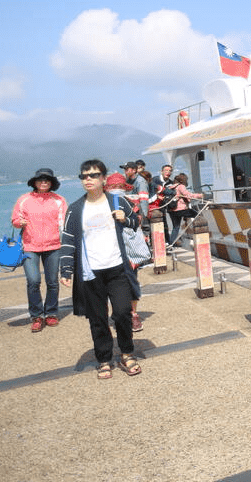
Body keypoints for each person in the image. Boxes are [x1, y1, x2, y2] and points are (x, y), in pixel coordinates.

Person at [59, 159, 142, 379]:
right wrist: (66, 269)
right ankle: (104, 358)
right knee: (97, 318)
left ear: (103, 178)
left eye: (93, 175)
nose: (88, 179)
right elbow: (67, 240)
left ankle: (126, 352)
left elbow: (136, 222)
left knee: (123, 312)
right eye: (84, 176)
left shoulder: (117, 201)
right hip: (90, 272)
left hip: (117, 268)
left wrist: (126, 219)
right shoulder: (75, 209)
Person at [11, 168, 68, 332]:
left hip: (54, 246)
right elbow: (15, 219)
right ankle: (36, 315)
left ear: (52, 183)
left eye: (47, 179)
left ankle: (50, 313)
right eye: (41, 179)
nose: (44, 182)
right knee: (33, 281)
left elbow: (65, 222)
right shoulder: (24, 200)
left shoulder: (59, 200)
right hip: (29, 246)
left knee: (52, 282)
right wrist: (18, 223)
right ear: (34, 182)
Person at [106, 172, 145, 333]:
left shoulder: (129, 202)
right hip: (116, 250)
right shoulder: (126, 202)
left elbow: (136, 222)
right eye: (114, 186)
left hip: (126, 250)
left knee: (128, 282)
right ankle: (126, 313)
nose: (117, 189)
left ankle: (132, 313)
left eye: (120, 186)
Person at [167, 172, 203, 244]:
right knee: (198, 216)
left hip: (171, 210)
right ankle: (201, 236)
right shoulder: (181, 186)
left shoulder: (171, 187)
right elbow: (188, 195)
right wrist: (200, 195)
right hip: (180, 209)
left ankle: (171, 244)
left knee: (176, 227)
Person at [150, 164, 177, 240]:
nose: (168, 172)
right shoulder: (155, 180)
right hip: (153, 205)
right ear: (162, 171)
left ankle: (167, 241)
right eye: (166, 170)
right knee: (153, 224)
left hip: (163, 206)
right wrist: (157, 196)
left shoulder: (171, 183)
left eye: (169, 171)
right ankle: (154, 241)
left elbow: (172, 193)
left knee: (164, 224)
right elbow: (149, 190)